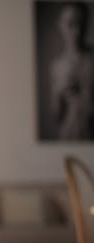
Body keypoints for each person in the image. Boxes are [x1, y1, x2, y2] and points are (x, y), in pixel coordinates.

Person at [49, 2, 94, 140]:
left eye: (81, 23)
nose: (77, 31)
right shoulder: (57, 66)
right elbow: (56, 116)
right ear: (60, 25)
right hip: (68, 137)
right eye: (70, 24)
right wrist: (59, 91)